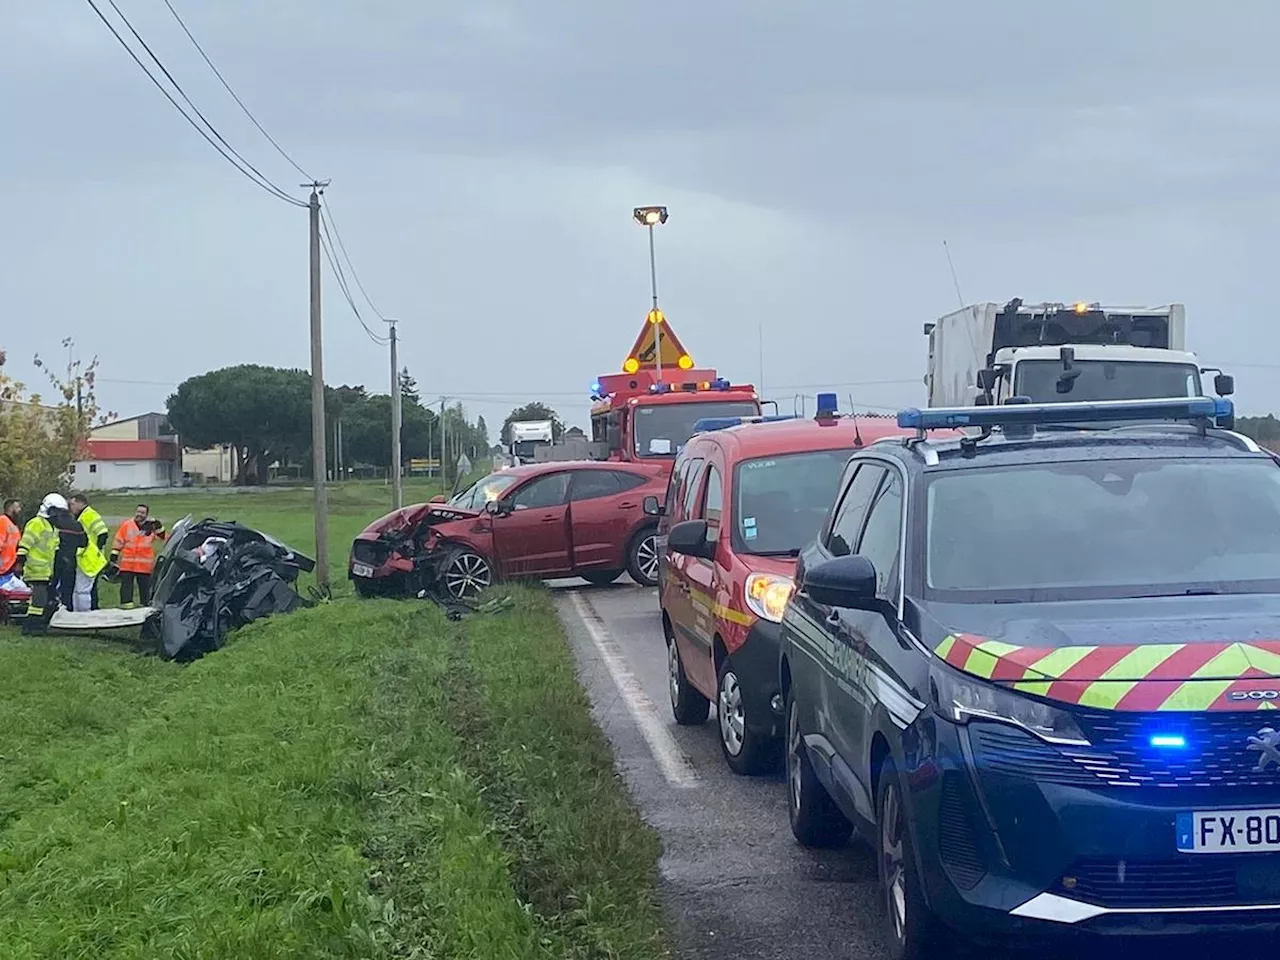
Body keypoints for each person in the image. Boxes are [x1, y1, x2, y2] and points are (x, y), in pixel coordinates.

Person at [17, 493, 64, 634]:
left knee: (41, 600)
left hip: (45, 570)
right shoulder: (36, 523)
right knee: (38, 599)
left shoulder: (53, 527)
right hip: (35, 569)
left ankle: (36, 624)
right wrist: (21, 559)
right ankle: (31, 627)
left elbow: (54, 548)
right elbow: (26, 542)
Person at [109, 503, 166, 607]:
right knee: (126, 588)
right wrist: (114, 556)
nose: (139, 514)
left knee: (145, 590)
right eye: (138, 512)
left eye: (142, 513)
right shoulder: (127, 525)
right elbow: (119, 540)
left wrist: (159, 526)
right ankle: (126, 607)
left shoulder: (152, 526)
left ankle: (144, 607)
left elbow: (163, 537)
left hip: (144, 565)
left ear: (147, 515)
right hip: (127, 564)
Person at [68, 494, 109, 612]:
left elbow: (103, 534)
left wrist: (94, 551)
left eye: (73, 504)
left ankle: (89, 611)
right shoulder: (82, 516)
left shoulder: (89, 515)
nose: (71, 507)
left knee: (86, 588)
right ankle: (89, 609)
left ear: (81, 503)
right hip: (86, 556)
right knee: (86, 588)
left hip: (90, 557)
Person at [0, 499, 21, 577]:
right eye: (17, 507)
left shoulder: (14, 524)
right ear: (11, 508)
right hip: (3, 568)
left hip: (11, 566)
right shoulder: (2, 521)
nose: (19, 510)